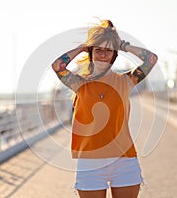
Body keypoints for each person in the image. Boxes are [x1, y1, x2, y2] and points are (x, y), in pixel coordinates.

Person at [52, 19, 158, 198]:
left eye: (108, 50)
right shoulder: (79, 84)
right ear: (92, 52)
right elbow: (58, 66)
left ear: (114, 54)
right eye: (98, 50)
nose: (103, 55)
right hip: (89, 163)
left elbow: (151, 59)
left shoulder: (125, 81)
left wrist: (123, 45)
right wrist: (83, 47)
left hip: (124, 161)